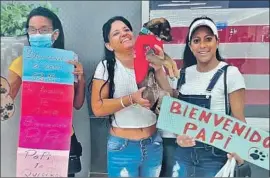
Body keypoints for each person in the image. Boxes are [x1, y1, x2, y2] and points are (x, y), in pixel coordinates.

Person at [154, 16, 247, 177]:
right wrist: (178, 136)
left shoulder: (230, 74)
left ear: (217, 42)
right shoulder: (184, 74)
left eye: (208, 39)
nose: (202, 45)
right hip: (182, 155)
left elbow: (239, 120)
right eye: (196, 41)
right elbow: (174, 109)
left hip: (215, 158)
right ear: (190, 46)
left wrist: (240, 153)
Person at [7, 7, 85, 177]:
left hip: (64, 137)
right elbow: (6, 100)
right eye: (32, 30)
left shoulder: (68, 61)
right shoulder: (21, 63)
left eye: (43, 30)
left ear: (55, 34)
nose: (37, 34)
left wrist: (81, 78)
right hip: (33, 139)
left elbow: (78, 104)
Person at [90, 16, 163, 177]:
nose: (124, 34)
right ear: (109, 45)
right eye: (116, 33)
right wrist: (131, 99)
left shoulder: (150, 61)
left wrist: (159, 70)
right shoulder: (105, 67)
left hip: (153, 144)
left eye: (126, 30)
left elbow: (169, 94)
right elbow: (98, 108)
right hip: (123, 147)